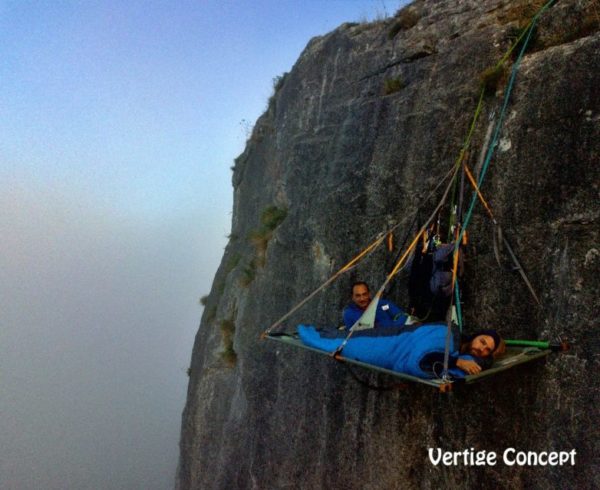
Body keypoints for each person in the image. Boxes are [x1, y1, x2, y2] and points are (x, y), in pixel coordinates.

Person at [342, 281, 408, 330]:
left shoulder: (383, 305)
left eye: (364, 294)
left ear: (369, 294)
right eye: (358, 296)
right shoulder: (349, 313)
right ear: (352, 297)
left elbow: (401, 315)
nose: (362, 299)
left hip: (392, 337)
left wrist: (393, 328)